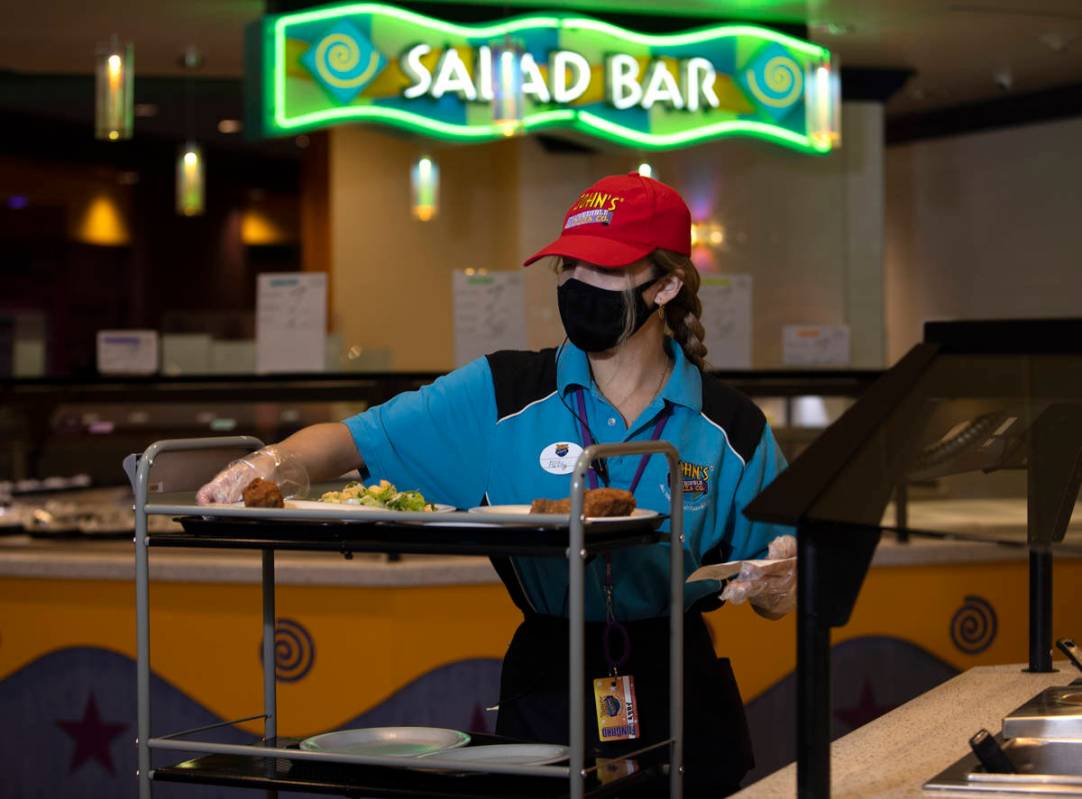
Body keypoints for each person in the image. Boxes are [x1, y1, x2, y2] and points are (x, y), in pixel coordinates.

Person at [197, 172, 795, 796]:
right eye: (568, 267)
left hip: (680, 689)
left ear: (667, 284)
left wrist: (780, 577)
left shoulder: (731, 427)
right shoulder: (501, 393)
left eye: (604, 269)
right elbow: (353, 438)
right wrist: (265, 465)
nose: (578, 287)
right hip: (548, 683)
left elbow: (780, 575)